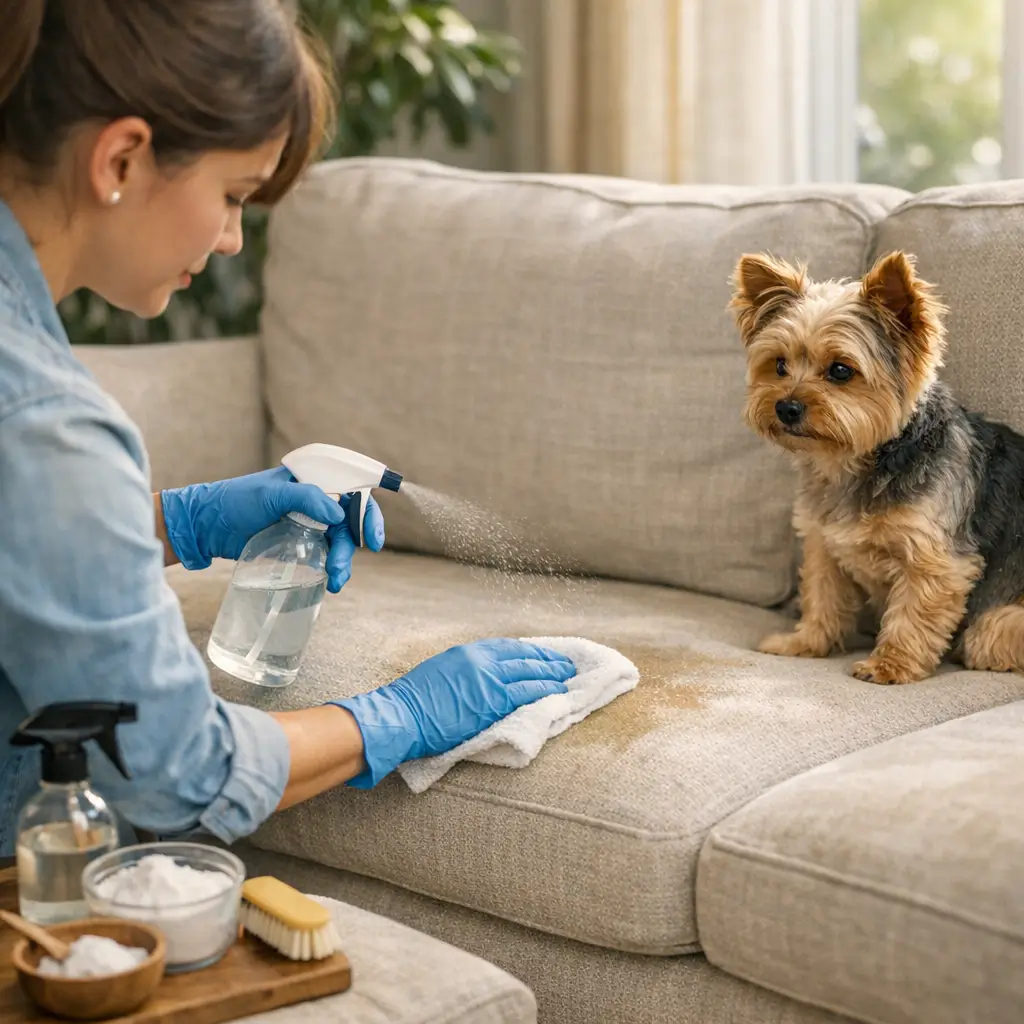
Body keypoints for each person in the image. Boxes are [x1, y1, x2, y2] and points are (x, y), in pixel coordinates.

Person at [0, 0, 576, 858]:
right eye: (232, 196)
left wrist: (172, 522)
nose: (232, 239)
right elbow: (177, 772)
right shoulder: (49, 421)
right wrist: (399, 714)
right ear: (120, 156)